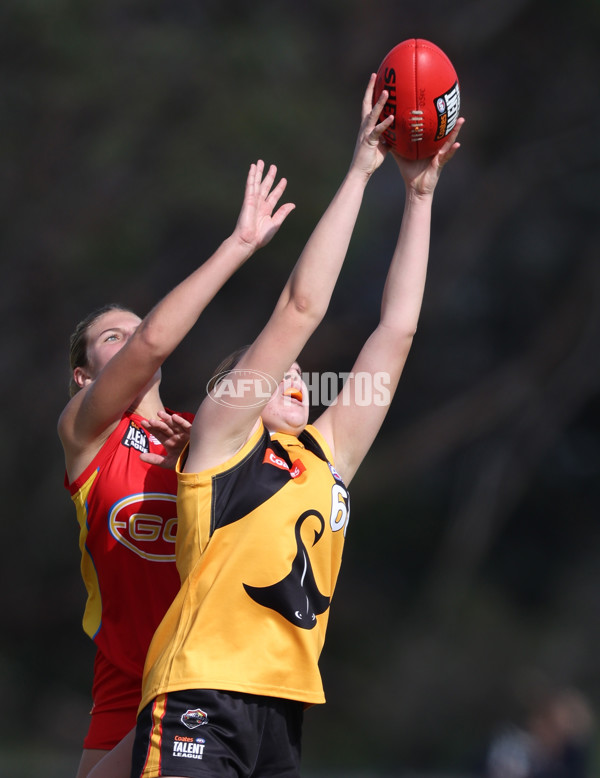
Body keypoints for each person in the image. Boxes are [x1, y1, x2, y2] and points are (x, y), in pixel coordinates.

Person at [131, 74, 464, 778]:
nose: (292, 374)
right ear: (232, 390)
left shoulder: (327, 453)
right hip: (202, 691)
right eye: (272, 370)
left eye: (298, 373)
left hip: (283, 715)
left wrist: (419, 197)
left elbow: (396, 332)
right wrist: (360, 170)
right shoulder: (223, 442)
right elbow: (301, 308)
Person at [58, 161, 295, 778]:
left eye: (138, 327)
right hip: (122, 673)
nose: (136, 337)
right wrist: (239, 244)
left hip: (197, 669)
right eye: (114, 337)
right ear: (84, 378)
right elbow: (153, 346)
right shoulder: (86, 434)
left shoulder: (208, 435)